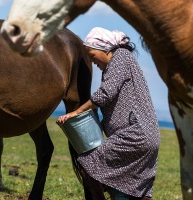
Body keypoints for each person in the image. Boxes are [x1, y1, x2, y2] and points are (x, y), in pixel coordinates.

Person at [58, 27, 160, 200]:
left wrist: (76, 112)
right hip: (146, 136)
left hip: (135, 135)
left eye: (92, 55)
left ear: (104, 48)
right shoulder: (120, 62)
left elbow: (106, 93)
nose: (92, 61)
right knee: (137, 188)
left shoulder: (121, 57)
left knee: (89, 164)